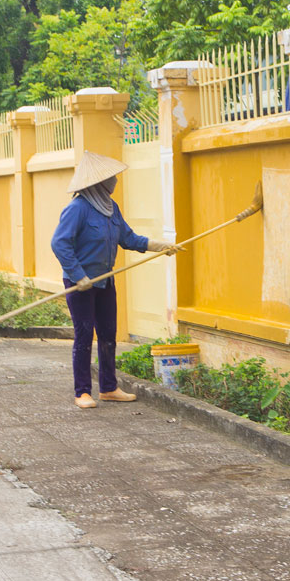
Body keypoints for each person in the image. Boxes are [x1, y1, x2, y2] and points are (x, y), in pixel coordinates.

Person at [52, 151, 181, 409]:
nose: (115, 181)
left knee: (109, 333)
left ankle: (109, 388)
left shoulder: (111, 209)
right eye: (110, 178)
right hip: (81, 285)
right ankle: (83, 392)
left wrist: (159, 246)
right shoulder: (78, 208)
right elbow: (59, 243)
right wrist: (79, 275)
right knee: (84, 334)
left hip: (105, 282)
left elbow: (128, 239)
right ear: (98, 182)